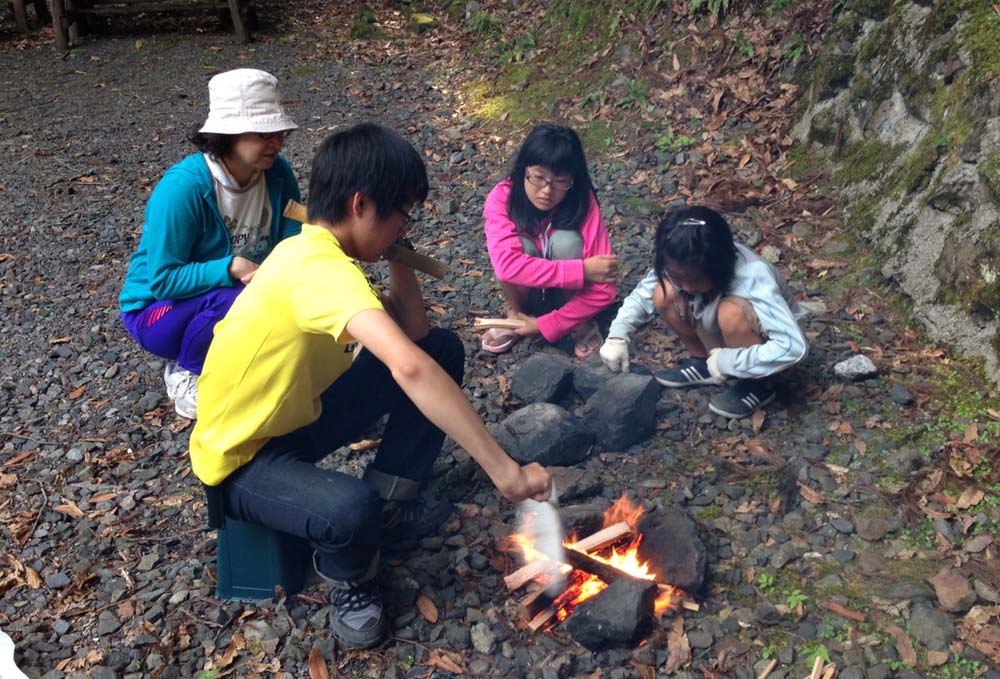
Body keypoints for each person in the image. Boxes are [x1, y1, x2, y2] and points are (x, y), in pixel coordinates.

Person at [188, 123, 552, 649]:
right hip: (241, 460)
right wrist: (506, 472)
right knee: (350, 509)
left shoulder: (319, 253)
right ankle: (349, 577)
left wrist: (398, 253)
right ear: (361, 204)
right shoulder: (317, 269)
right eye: (402, 214)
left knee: (442, 349)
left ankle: (393, 501)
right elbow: (409, 367)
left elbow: (417, 336)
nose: (405, 226)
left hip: (291, 420)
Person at [118, 68, 301, 419]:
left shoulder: (278, 173)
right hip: (157, 312)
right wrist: (230, 266)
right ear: (227, 134)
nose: (276, 143)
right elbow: (162, 280)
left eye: (279, 133)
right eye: (263, 133)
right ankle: (187, 371)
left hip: (239, 294)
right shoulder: (183, 189)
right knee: (235, 298)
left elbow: (292, 238)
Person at [599, 206, 808, 419]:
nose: (687, 288)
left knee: (730, 313)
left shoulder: (753, 276)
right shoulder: (678, 260)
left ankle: (757, 384)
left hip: (759, 343)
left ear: (719, 265)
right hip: (716, 330)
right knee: (663, 292)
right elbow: (641, 295)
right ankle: (703, 362)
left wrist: (728, 361)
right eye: (679, 279)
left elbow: (792, 347)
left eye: (696, 280)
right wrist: (617, 336)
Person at [481, 124, 617, 357]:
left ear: (573, 180)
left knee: (568, 243)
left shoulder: (583, 201)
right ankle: (518, 314)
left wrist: (549, 324)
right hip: (529, 291)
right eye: (538, 178)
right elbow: (505, 268)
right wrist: (581, 270)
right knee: (521, 248)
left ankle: (577, 320)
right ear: (523, 169)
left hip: (572, 296)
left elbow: (605, 289)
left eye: (559, 181)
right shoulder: (502, 197)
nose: (546, 190)